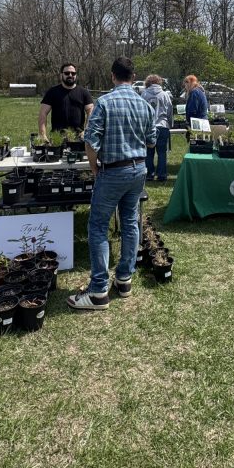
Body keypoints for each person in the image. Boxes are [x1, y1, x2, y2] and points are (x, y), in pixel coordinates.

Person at [68, 57, 155, 311]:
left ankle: (98, 292)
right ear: (134, 76)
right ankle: (125, 279)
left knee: (98, 225)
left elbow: (90, 141)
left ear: (112, 76)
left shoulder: (104, 103)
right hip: (138, 169)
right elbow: (151, 142)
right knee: (129, 222)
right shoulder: (144, 105)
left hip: (113, 171)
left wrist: (94, 167)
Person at [38, 63, 94, 141]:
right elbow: (43, 113)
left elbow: (91, 113)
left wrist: (86, 131)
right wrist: (42, 135)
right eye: (67, 73)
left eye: (73, 73)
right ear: (61, 75)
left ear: (76, 75)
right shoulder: (52, 92)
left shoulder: (84, 93)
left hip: (78, 138)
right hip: (57, 138)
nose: (70, 75)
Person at [141, 74, 172, 181]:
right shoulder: (164, 94)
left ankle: (149, 174)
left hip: (149, 126)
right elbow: (170, 111)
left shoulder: (144, 94)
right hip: (162, 125)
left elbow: (141, 112)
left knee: (149, 152)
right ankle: (162, 175)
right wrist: (170, 124)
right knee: (162, 152)